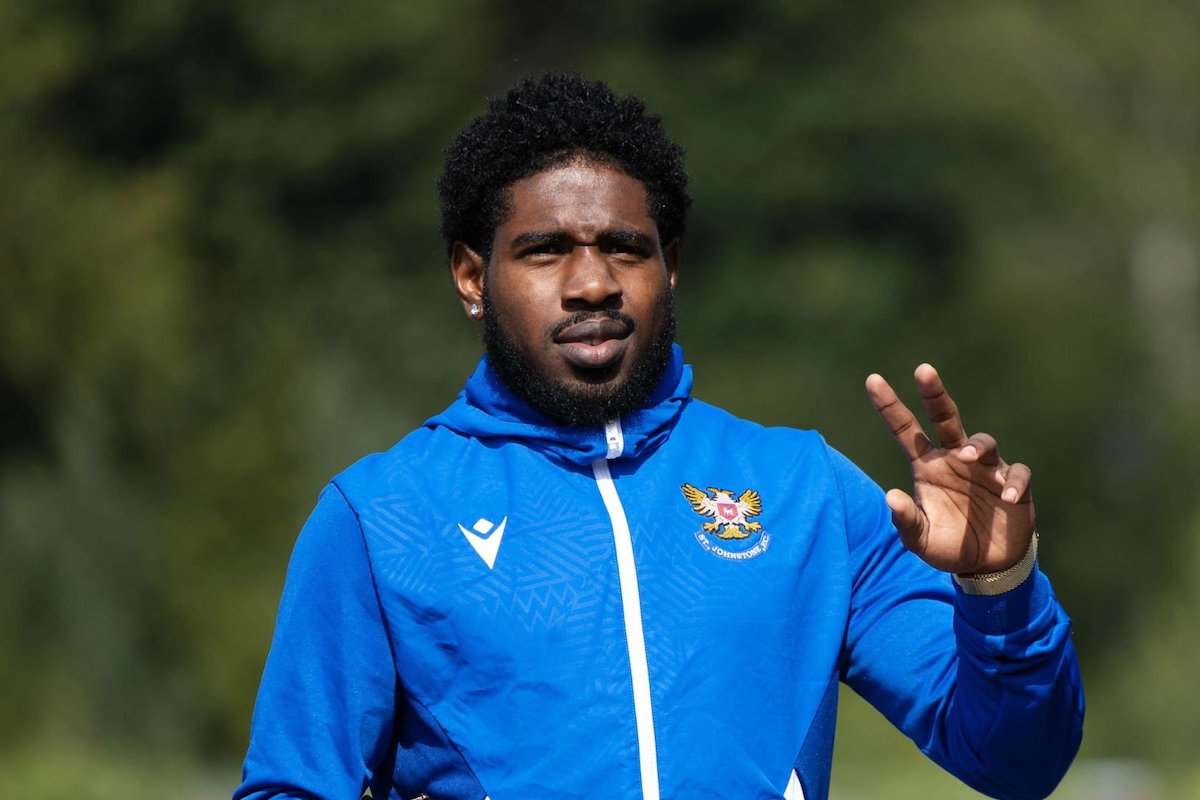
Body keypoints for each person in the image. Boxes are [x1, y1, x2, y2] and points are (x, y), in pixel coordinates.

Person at [233, 74, 1083, 800]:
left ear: (669, 265)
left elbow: (1017, 761)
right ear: (471, 277)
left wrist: (998, 585)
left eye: (625, 249)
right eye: (544, 250)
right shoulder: (381, 516)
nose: (592, 282)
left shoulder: (803, 490)